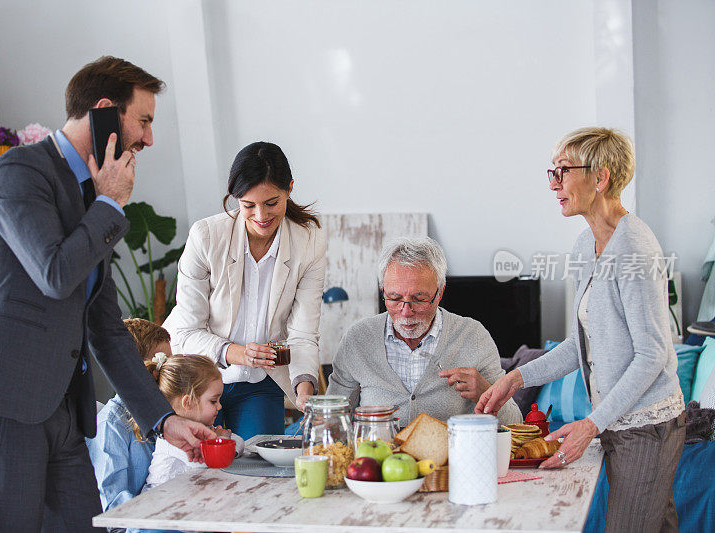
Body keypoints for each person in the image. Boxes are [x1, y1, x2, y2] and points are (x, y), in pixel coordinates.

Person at [0, 56, 215, 532]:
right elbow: (54, 273)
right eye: (144, 120)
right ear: (106, 110)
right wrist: (109, 203)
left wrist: (163, 421)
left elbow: (107, 330)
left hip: (63, 413)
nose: (149, 139)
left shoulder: (90, 198)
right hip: (3, 405)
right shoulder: (19, 174)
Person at [477, 127, 685, 532]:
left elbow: (652, 354)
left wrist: (592, 423)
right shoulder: (583, 247)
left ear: (600, 177)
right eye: (551, 172)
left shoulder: (635, 248)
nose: (554, 184)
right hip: (620, 420)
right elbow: (581, 344)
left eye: (563, 171)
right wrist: (515, 378)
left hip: (646, 425)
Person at [163, 141, 325, 440]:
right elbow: (185, 332)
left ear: (289, 188)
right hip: (197, 381)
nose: (261, 215)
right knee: (203, 470)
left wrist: (304, 391)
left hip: (259, 384)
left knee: (260, 466)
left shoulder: (309, 242)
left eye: (272, 202)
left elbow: (302, 333)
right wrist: (238, 353)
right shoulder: (206, 237)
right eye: (248, 205)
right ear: (235, 197)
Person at [327, 237, 522, 426]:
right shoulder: (358, 339)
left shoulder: (473, 336)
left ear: (440, 292)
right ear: (383, 291)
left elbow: (515, 423)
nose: (406, 312)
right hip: (377, 458)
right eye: (394, 298)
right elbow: (331, 419)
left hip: (450, 459)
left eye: (419, 299)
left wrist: (486, 392)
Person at [85, 319, 172, 521]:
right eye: (162, 363)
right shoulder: (111, 426)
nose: (169, 372)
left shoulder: (167, 416)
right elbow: (112, 503)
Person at [142, 354, 244, 491]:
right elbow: (205, 464)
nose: (219, 406)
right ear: (188, 402)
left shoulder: (205, 428)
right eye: (213, 401)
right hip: (159, 501)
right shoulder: (172, 438)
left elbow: (239, 442)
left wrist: (223, 441)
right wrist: (223, 440)